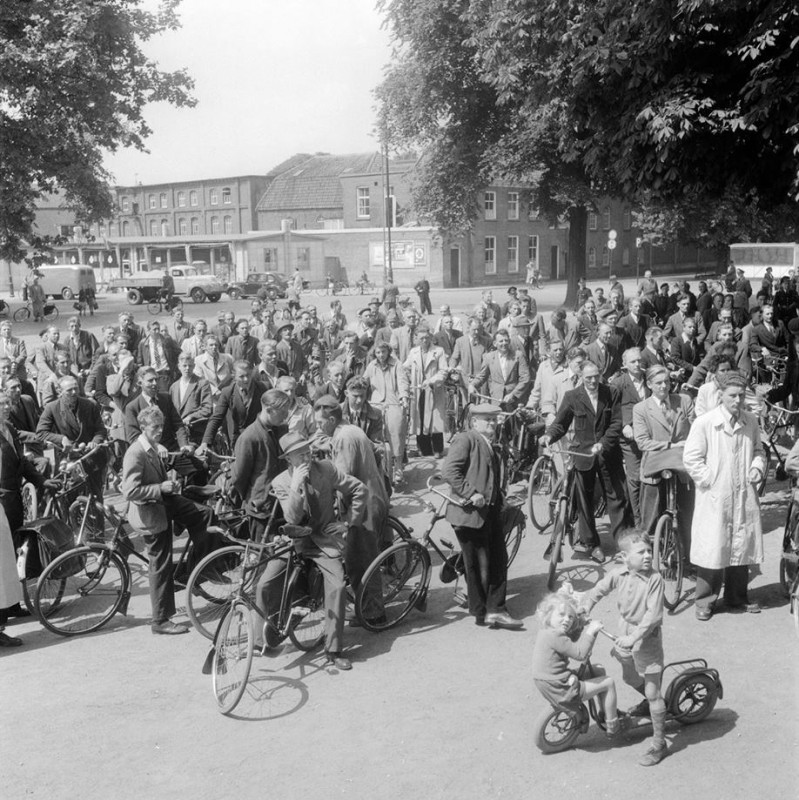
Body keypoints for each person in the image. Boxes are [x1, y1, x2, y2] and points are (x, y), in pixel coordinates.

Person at [260, 431, 367, 669]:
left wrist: (348, 522)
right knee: (265, 583)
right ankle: (264, 640)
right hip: (294, 542)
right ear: (288, 459)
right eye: (300, 455)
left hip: (322, 541)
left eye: (308, 451)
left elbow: (359, 489)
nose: (307, 458)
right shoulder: (280, 482)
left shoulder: (326, 469)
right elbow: (292, 517)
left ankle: (334, 649)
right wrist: (296, 486)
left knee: (337, 586)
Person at [120, 406, 215, 635]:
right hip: (151, 512)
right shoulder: (136, 452)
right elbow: (130, 491)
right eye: (155, 427)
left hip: (163, 502)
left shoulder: (151, 446)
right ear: (143, 428)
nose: (160, 431)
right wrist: (159, 487)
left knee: (205, 514)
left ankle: (195, 568)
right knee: (159, 564)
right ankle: (160, 620)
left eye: (162, 426)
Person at [682, 370, 766, 621]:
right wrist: (710, 479)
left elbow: (759, 450)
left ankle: (737, 597)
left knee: (741, 543)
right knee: (713, 546)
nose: (737, 400)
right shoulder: (706, 422)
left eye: (741, 395)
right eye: (732, 395)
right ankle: (705, 601)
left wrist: (756, 467)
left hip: (743, 492)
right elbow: (691, 458)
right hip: (715, 496)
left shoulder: (750, 420)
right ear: (720, 395)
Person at [581, 531, 669, 766]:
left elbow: (653, 616)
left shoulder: (654, 579)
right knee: (629, 677)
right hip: (624, 632)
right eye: (641, 552)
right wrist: (587, 605)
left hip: (647, 638)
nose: (648, 555)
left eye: (649, 550)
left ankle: (659, 743)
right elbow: (600, 588)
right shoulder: (618, 573)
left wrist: (635, 638)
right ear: (624, 556)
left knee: (653, 692)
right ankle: (654, 704)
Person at [441, 403, 522, 629]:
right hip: (470, 514)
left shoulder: (487, 443)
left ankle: (488, 610)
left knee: (494, 560)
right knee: (479, 565)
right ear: (474, 422)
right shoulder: (466, 439)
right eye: (487, 419)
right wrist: (471, 493)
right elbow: (449, 471)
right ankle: (488, 610)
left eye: (494, 420)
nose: (493, 424)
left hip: (489, 511)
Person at [542, 361, 631, 563]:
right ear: (580, 377)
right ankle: (592, 544)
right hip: (583, 455)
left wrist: (603, 443)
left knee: (617, 496)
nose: (592, 381)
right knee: (584, 501)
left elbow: (617, 423)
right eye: (588, 377)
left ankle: (622, 543)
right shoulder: (572, 396)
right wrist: (548, 436)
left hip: (608, 453)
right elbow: (561, 424)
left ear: (600, 375)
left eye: (596, 376)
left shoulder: (612, 392)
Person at [312, 396, 389, 618]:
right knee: (366, 558)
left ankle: (374, 613)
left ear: (333, 419)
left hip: (363, 507)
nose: (318, 427)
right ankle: (370, 607)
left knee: (362, 562)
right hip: (373, 498)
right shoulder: (350, 430)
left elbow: (341, 479)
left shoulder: (343, 438)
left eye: (320, 423)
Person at [532, 593, 619, 735]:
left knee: (598, 670)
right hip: (560, 686)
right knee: (608, 683)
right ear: (548, 615)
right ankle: (612, 725)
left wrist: (580, 624)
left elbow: (570, 639)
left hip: (546, 681)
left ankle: (604, 710)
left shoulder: (546, 632)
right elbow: (580, 654)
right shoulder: (556, 636)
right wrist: (591, 631)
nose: (566, 620)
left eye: (570, 617)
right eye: (561, 615)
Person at [632, 366, 695, 553]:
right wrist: (670, 446)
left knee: (687, 515)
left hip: (682, 466)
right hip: (655, 465)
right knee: (649, 517)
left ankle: (687, 561)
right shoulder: (641, 409)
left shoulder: (683, 401)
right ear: (649, 384)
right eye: (658, 383)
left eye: (667, 381)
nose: (664, 386)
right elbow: (642, 442)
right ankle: (646, 557)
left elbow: (695, 430)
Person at [231, 389, 290, 541]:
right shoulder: (249, 437)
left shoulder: (282, 429)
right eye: (283, 412)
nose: (286, 415)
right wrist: (255, 496)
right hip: (262, 508)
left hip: (281, 503)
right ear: (269, 410)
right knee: (262, 556)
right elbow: (238, 477)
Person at [610, 348, 650, 527]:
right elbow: (612, 409)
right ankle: (638, 520)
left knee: (651, 473)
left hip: (649, 434)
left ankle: (652, 515)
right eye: (633, 362)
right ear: (625, 364)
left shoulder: (649, 380)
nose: (637, 364)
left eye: (639, 361)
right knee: (635, 477)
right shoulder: (619, 383)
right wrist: (624, 424)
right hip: (629, 436)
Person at [404, 325, 448, 457]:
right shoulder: (414, 352)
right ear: (416, 338)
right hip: (418, 391)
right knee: (420, 418)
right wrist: (407, 377)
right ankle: (424, 449)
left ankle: (437, 449)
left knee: (435, 419)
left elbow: (443, 371)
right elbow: (405, 367)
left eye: (427, 338)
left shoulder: (438, 351)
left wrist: (431, 381)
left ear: (430, 338)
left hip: (434, 390)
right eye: (421, 338)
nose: (424, 340)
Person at [470, 328, 531, 408]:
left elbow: (525, 378)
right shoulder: (489, 357)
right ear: (495, 343)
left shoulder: (518, 355)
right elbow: (482, 376)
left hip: (514, 401)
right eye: (501, 341)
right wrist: (472, 385)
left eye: (506, 340)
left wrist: (513, 394)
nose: (504, 343)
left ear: (509, 341)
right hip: (496, 401)